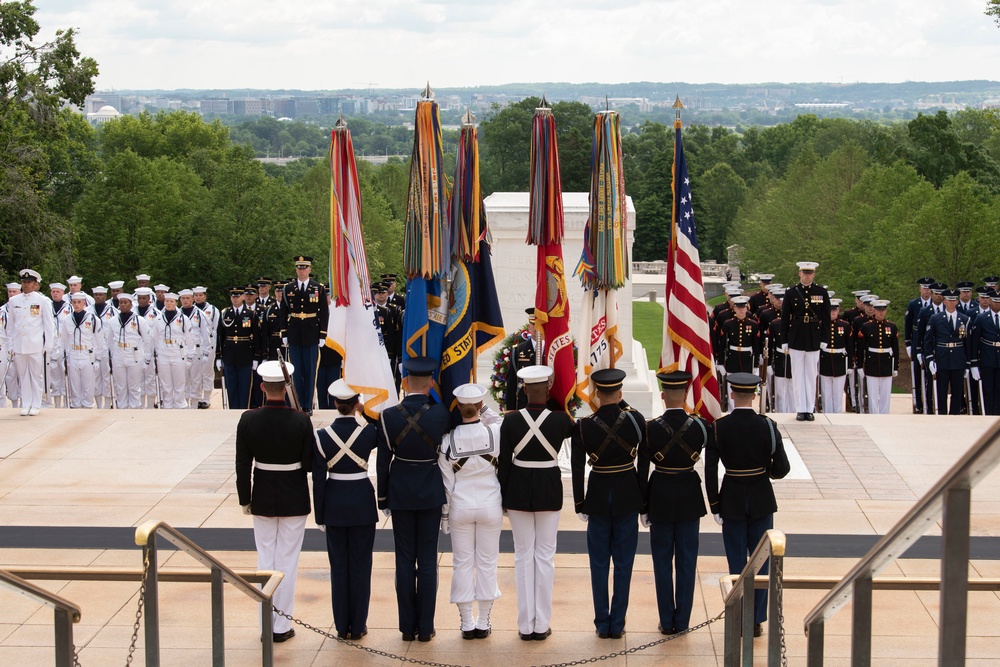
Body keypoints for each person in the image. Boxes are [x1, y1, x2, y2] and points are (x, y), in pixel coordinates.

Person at [705, 372, 790, 638]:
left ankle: (739, 614)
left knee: (736, 561)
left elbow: (709, 471)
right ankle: (755, 620)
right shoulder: (768, 426)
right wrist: (767, 474)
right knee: (760, 562)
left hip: (731, 498)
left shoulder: (718, 427)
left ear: (731, 394)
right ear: (753, 395)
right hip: (761, 497)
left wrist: (715, 504)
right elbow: (783, 467)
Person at [236, 360, 313, 644]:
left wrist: (245, 498)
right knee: (287, 562)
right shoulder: (301, 420)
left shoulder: (248, 419)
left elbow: (242, 464)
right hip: (293, 494)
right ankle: (282, 626)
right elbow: (307, 464)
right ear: (287, 386)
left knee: (265, 559)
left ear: (262, 388)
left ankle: (266, 624)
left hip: (264, 495)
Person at [376, 356, 450, 642]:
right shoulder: (441, 413)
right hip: (430, 491)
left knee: (405, 561)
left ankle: (408, 627)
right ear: (431, 383)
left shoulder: (388, 416)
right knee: (428, 561)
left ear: (405, 383)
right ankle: (426, 627)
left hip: (401, 492)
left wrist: (383, 498)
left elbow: (383, 462)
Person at [498, 365, 573, 641]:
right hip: (549, 490)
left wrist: (502, 497)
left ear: (525, 390)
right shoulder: (561, 420)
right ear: (548, 389)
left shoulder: (511, 421)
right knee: (545, 558)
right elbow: (573, 429)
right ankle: (541, 624)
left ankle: (525, 625)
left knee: (522, 557)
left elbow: (504, 463)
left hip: (517, 490)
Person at [571, 368, 646, 639]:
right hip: (628, 494)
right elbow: (645, 462)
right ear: (621, 393)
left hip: (598, 495)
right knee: (624, 563)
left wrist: (579, 502)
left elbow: (577, 466)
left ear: (596, 394)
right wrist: (643, 499)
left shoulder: (584, 425)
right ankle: (618, 621)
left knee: (599, 563)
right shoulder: (636, 420)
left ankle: (602, 622)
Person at [637, 370, 708, 635]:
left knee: (662, 562)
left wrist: (643, 506)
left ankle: (667, 621)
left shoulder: (651, 427)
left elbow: (642, 470)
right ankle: (683, 621)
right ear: (686, 395)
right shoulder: (701, 426)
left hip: (661, 496)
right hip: (689, 494)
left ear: (663, 395)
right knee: (687, 561)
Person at [313, 379, 378, 641]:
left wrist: (320, 515)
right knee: (361, 567)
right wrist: (365, 413)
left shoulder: (320, 437)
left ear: (334, 403)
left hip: (334, 504)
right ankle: (358, 624)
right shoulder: (369, 433)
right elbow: (377, 427)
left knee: (339, 568)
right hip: (361, 501)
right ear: (358, 404)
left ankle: (341, 625)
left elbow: (318, 480)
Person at [439, 383, 503, 640]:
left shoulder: (447, 440)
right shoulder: (495, 433)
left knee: (462, 564)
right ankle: (483, 620)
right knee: (487, 563)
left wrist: (445, 515)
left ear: (457, 407)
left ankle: (467, 623)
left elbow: (447, 485)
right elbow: (497, 419)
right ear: (478, 406)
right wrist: (482, 406)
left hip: (461, 506)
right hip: (490, 505)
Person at [780, 261, 831, 421]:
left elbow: (826, 318)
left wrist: (825, 338)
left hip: (814, 335)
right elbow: (784, 318)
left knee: (810, 374)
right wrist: (784, 340)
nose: (807, 275)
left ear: (814, 275)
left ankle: (809, 409)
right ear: (799, 274)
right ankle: (800, 408)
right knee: (797, 374)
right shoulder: (791, 293)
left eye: (810, 273)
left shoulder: (821, 292)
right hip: (796, 335)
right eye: (804, 272)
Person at [280, 255, 329, 414]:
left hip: (311, 333)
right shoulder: (288, 288)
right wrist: (284, 333)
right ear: (296, 269)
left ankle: (308, 405)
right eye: (299, 268)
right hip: (294, 332)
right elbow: (283, 312)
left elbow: (324, 312)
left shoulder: (318, 288)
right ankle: (297, 404)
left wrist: (322, 335)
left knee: (310, 371)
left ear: (309, 269)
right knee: (296, 371)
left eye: (304, 268)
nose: (302, 271)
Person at [7, 269, 56, 415]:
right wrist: (10, 345)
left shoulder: (42, 300)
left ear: (35, 284)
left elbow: (48, 324)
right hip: (19, 344)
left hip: (35, 344)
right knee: (23, 375)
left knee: (36, 375)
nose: (26, 285)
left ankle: (36, 403)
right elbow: (11, 326)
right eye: (24, 282)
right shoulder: (14, 301)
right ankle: (26, 403)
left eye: (29, 282)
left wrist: (48, 344)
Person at [923, 289, 971, 415]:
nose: (951, 302)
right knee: (941, 391)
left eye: (954, 300)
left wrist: (968, 363)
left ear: (957, 301)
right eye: (949, 300)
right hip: (941, 358)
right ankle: (942, 416)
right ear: (944, 301)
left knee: (957, 391)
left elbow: (967, 343)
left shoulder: (964, 319)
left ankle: (955, 415)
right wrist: (929, 359)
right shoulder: (935, 318)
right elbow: (927, 341)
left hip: (958, 359)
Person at [149, 293, 195, 409]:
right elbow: (153, 338)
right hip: (163, 354)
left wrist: (190, 357)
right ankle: (167, 404)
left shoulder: (183, 319)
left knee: (179, 383)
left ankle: (180, 405)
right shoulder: (158, 319)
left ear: (176, 303)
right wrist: (154, 355)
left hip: (178, 354)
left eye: (171, 301)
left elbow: (190, 339)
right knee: (166, 384)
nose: (169, 303)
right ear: (164, 303)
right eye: (167, 301)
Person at [59, 292, 105, 409]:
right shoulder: (67, 320)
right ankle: (76, 407)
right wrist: (63, 358)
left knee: (88, 386)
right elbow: (63, 340)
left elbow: (99, 341)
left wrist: (98, 359)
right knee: (74, 386)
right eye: (74, 302)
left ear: (84, 303)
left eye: (79, 302)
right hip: (73, 354)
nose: (77, 305)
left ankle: (88, 407)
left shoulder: (93, 319)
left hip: (87, 355)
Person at [105, 293, 151, 409]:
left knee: (134, 385)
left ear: (131, 304)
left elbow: (147, 340)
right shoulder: (113, 320)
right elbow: (110, 340)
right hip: (119, 353)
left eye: (126, 302)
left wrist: (147, 358)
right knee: (120, 386)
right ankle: (122, 408)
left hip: (134, 354)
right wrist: (112, 355)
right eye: (121, 303)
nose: (123, 305)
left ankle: (135, 408)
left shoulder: (139, 320)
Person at [217, 287, 259, 410]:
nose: (235, 299)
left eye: (238, 296)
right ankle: (233, 410)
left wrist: (256, 356)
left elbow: (256, 336)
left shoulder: (251, 314)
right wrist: (219, 356)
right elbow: (220, 336)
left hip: (245, 354)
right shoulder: (225, 313)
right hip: (229, 354)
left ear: (243, 297)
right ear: (231, 298)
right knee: (231, 386)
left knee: (244, 385)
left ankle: (244, 409)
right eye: (233, 297)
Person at [856, 300, 899, 414]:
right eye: (878, 310)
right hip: (872, 363)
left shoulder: (892, 326)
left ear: (886, 311)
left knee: (885, 395)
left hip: (886, 362)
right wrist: (860, 365)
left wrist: (895, 367)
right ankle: (873, 415)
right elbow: (861, 348)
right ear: (874, 310)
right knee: (873, 395)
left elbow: (895, 349)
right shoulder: (867, 327)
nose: (880, 313)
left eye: (883, 310)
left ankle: (885, 415)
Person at [818, 299, 853, 414]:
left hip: (840, 361)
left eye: (835, 309)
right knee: (826, 392)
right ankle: (827, 413)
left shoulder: (845, 325)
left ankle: (837, 414)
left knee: (838, 392)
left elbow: (850, 346)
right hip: (825, 359)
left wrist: (850, 365)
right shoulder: (821, 324)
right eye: (831, 309)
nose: (833, 312)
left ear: (839, 310)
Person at [971, 290, 1000, 415]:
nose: (997, 304)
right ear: (990, 302)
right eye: (995, 301)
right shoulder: (981, 318)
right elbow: (975, 341)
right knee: (988, 389)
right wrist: (973, 363)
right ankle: (988, 414)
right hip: (987, 358)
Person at [504, 308, 539, 411]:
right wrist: (510, 410)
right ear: (529, 327)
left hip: (548, 406)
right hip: (524, 405)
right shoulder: (519, 350)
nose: (538, 329)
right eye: (534, 325)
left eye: (541, 325)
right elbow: (512, 383)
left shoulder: (551, 351)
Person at [193, 286, 220, 409]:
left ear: (205, 296)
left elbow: (215, 328)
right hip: (194, 345)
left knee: (207, 371)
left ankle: (206, 397)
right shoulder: (191, 310)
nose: (198, 297)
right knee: (195, 373)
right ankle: (196, 397)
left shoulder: (212, 310)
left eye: (200, 295)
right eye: (196, 295)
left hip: (209, 343)